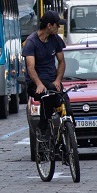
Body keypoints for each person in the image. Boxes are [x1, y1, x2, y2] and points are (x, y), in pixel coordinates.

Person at [23, 12, 66, 141]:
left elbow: (62, 61)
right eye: (57, 25)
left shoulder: (55, 39)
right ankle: (43, 128)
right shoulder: (31, 42)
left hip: (53, 81)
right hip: (36, 83)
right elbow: (30, 67)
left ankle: (69, 136)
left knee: (66, 105)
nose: (58, 28)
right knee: (48, 96)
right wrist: (39, 84)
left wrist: (58, 80)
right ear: (49, 25)